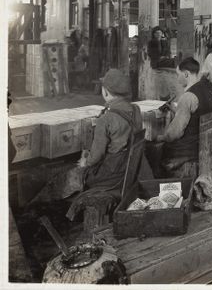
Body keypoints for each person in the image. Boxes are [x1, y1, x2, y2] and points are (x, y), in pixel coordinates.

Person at [30, 69, 146, 204]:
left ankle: (40, 207)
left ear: (106, 92)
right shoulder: (136, 110)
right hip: (128, 173)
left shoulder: (106, 119)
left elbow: (96, 157)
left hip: (110, 178)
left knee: (66, 177)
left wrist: (86, 162)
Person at [156, 57, 212, 178]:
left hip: (187, 149)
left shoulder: (187, 97)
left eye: (178, 75)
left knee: (153, 149)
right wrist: (176, 110)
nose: (177, 79)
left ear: (186, 74)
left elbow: (174, 134)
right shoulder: (209, 93)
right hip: (202, 146)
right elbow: (196, 115)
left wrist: (159, 137)